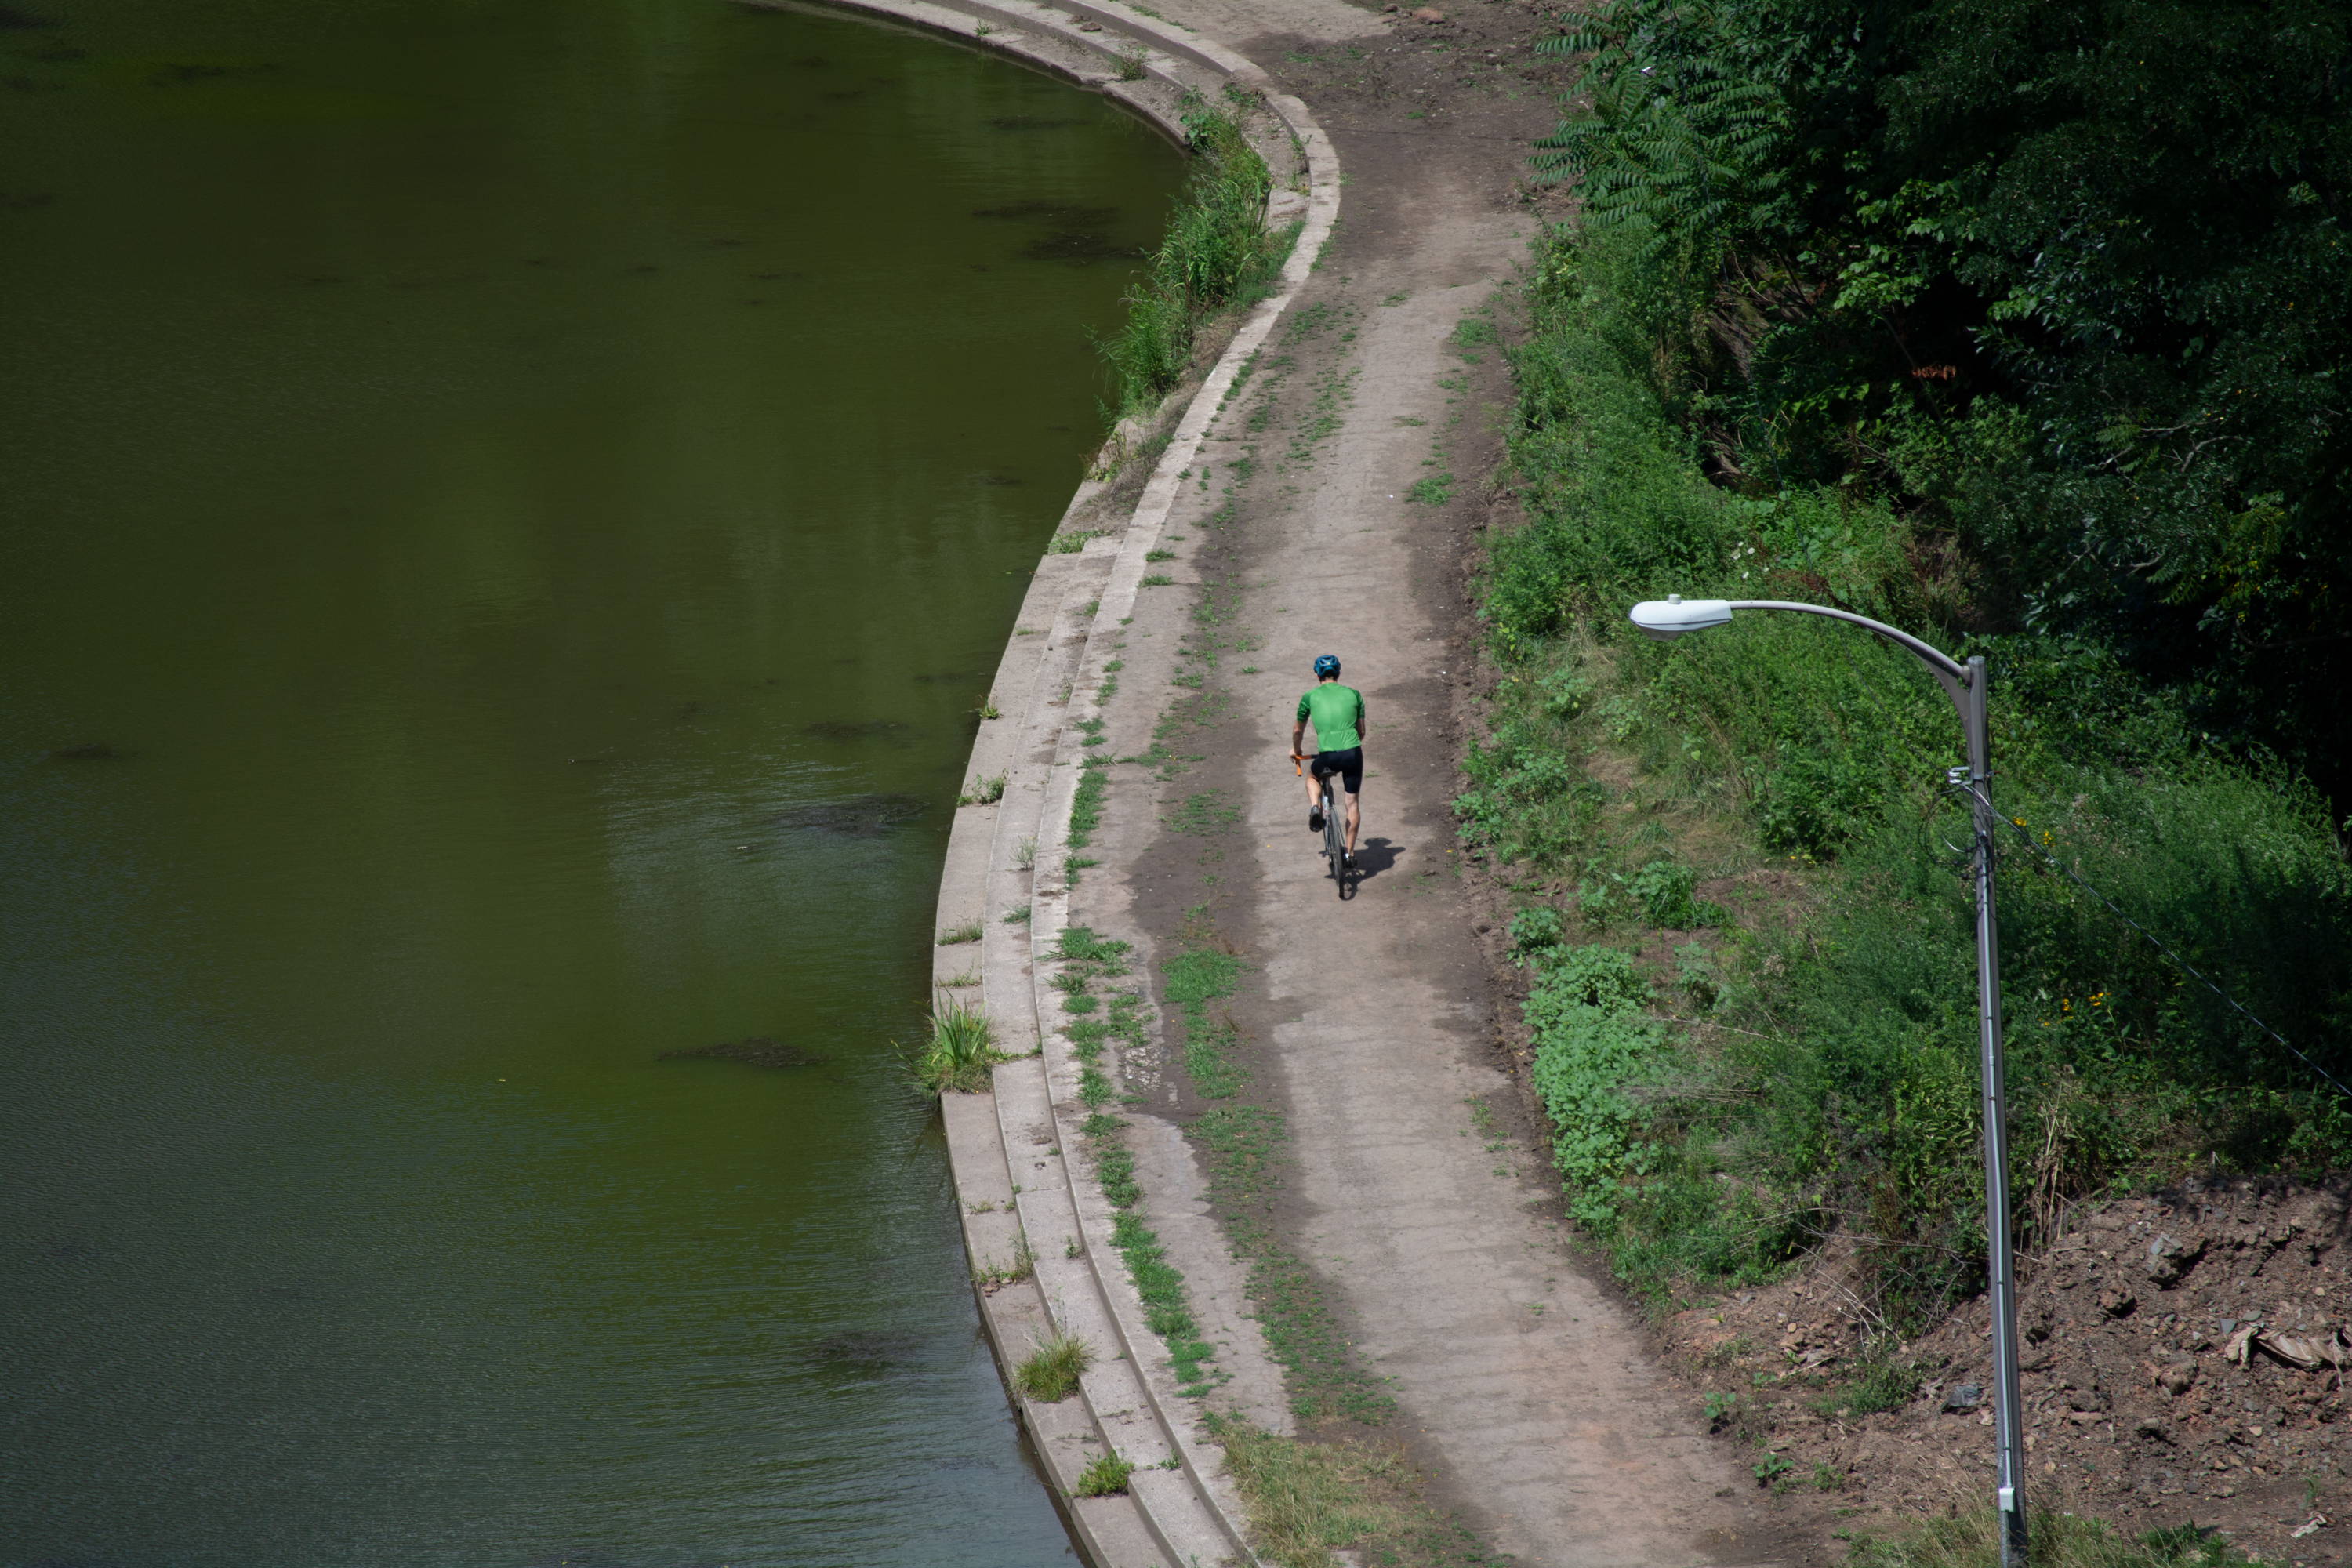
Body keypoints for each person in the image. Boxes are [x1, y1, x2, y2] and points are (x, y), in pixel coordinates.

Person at [1290, 653, 1367, 868]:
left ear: (1317, 674)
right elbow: (1361, 732)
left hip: (1329, 756)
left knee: (1313, 776)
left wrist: (1296, 750)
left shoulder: (1309, 697)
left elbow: (1298, 729)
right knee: (1352, 804)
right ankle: (1350, 854)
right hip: (1352, 753)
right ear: (1339, 672)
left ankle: (1315, 807)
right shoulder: (1355, 695)